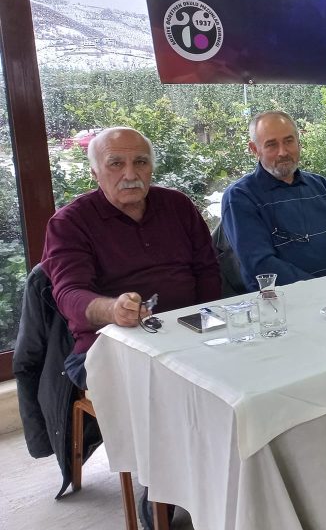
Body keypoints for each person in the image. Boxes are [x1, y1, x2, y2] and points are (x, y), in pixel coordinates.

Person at [41, 127, 221, 390]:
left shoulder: (177, 205)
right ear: (95, 173)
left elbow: (207, 270)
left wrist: (206, 321)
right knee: (178, 388)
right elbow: (69, 294)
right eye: (116, 164)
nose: (130, 174)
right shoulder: (70, 223)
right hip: (112, 344)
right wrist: (113, 310)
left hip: (188, 332)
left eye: (140, 162)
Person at [221, 111, 326, 291]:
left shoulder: (323, 186)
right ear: (254, 149)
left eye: (288, 141)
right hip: (286, 302)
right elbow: (260, 264)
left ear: (299, 142)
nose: (283, 152)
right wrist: (323, 290)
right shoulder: (240, 197)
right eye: (271, 144)